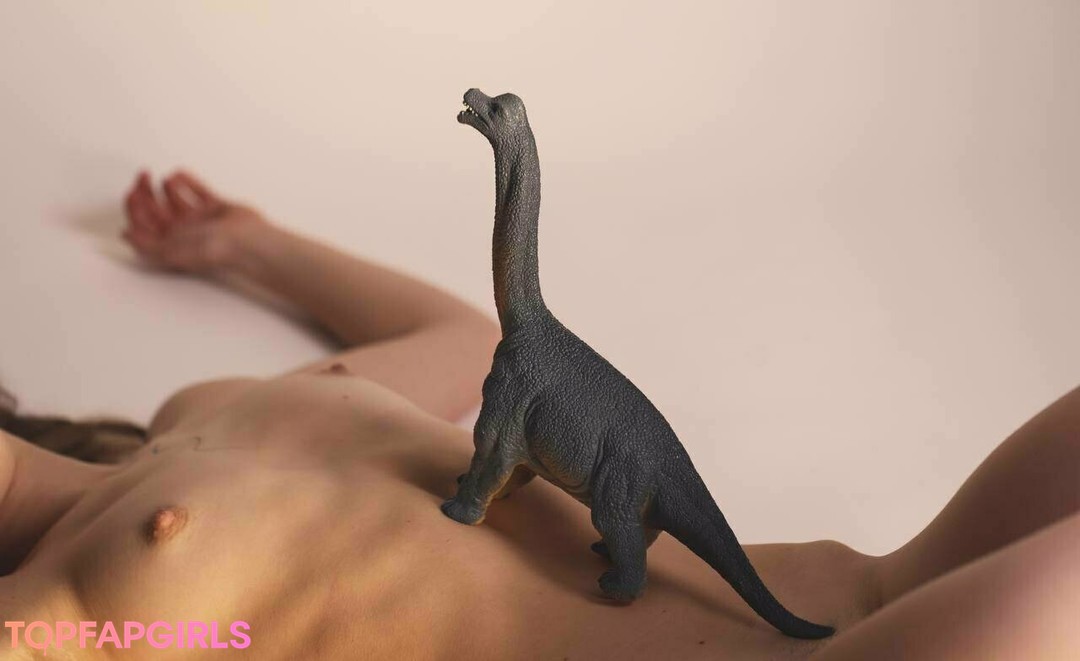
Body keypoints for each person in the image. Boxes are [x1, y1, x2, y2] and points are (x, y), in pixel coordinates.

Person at [0, 170, 1076, 660]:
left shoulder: (208, 405)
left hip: (879, 581)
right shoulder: (52, 609)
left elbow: (465, 340)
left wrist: (250, 245)